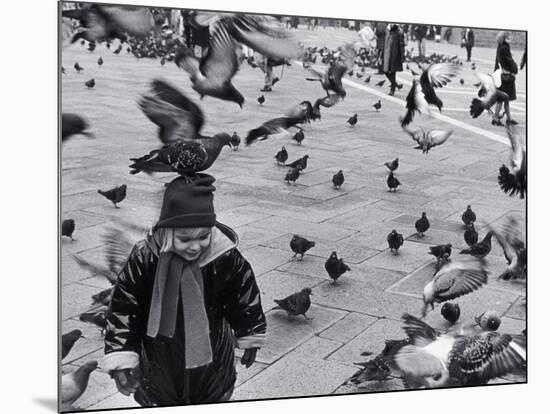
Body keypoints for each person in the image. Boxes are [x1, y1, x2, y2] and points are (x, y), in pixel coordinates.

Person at [103, 175, 267, 406]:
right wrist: (122, 354)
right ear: (167, 231)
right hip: (159, 356)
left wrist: (249, 331)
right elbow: (125, 305)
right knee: (162, 398)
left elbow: (242, 294)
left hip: (213, 354)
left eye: (203, 237)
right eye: (184, 239)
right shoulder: (146, 258)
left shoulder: (224, 256)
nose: (195, 246)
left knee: (212, 396)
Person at [492, 31, 518, 126]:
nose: (511, 38)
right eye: (509, 36)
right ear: (506, 37)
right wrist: (515, 68)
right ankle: (495, 118)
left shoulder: (501, 46)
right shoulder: (504, 47)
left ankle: (509, 118)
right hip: (506, 76)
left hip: (503, 75)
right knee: (502, 98)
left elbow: (499, 60)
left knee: (505, 98)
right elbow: (508, 61)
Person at [383, 24, 405, 96]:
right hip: (387, 54)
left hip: (395, 55)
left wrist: (402, 56)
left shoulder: (399, 33)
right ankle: (395, 85)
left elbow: (402, 45)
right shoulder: (388, 31)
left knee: (393, 72)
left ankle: (392, 89)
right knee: (385, 71)